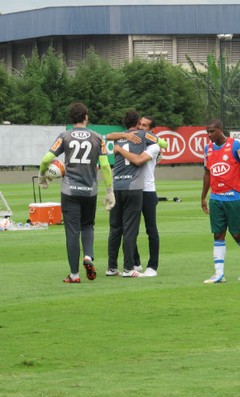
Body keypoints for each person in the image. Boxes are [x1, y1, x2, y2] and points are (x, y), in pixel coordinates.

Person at [38, 102, 115, 283]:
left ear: (71, 118)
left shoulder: (65, 136)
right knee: (88, 225)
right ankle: (88, 256)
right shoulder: (97, 137)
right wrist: (109, 191)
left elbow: (47, 159)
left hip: (70, 191)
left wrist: (42, 175)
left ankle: (74, 275)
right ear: (86, 117)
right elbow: (104, 165)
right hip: (90, 190)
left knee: (72, 231)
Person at [105, 110, 167, 278]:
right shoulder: (135, 138)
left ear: (152, 130)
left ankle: (152, 266)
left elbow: (139, 160)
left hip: (147, 190)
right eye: (140, 124)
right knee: (129, 228)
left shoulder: (153, 146)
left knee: (150, 229)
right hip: (134, 188)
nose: (141, 128)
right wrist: (125, 136)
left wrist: (119, 147)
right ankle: (135, 263)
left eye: (145, 126)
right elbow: (111, 135)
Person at [201, 119, 240, 283]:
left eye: (212, 131)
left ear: (220, 129)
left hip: (234, 198)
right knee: (218, 234)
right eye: (207, 132)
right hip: (216, 198)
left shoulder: (235, 145)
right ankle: (219, 273)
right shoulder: (208, 149)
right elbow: (207, 173)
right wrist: (203, 196)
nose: (209, 135)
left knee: (237, 234)